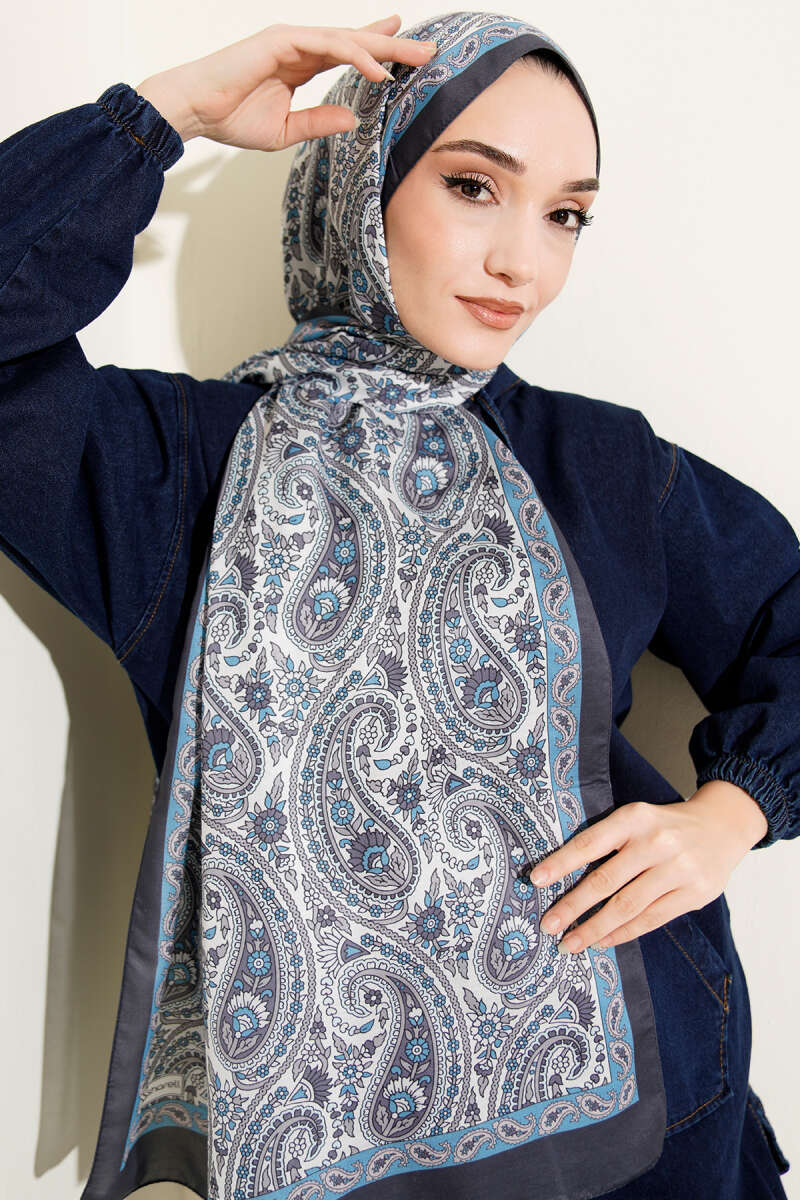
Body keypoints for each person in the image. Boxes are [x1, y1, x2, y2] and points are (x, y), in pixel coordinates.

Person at [1, 10, 797, 1199]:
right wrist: (162, 114)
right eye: (474, 187)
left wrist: (730, 814)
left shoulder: (599, 465)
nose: (522, 263)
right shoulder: (178, 473)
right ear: (357, 182)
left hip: (653, 1122)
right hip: (334, 1158)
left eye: (564, 214)